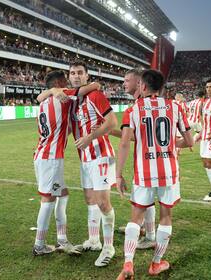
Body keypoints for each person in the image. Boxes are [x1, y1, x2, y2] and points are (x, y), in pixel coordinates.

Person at [116, 70, 193, 279]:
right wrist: (173, 143)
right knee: (166, 217)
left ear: (142, 86)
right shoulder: (175, 107)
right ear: (162, 88)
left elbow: (124, 143)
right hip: (169, 173)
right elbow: (189, 141)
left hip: (143, 172)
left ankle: (129, 263)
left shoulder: (133, 110)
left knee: (135, 218)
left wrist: (118, 174)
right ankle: (156, 264)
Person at [32, 70, 99, 256]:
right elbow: (89, 88)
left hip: (44, 155)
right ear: (60, 83)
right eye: (65, 81)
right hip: (51, 159)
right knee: (48, 200)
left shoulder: (45, 102)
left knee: (63, 194)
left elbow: (40, 98)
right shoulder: (62, 96)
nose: (68, 83)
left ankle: (62, 239)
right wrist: (95, 85)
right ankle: (39, 245)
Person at [69, 61, 118, 267]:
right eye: (73, 73)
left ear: (87, 76)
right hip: (85, 158)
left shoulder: (95, 96)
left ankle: (109, 247)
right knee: (90, 200)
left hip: (101, 156)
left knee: (103, 202)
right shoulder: (74, 101)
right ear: (69, 77)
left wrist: (90, 137)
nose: (76, 76)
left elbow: (112, 122)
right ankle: (94, 240)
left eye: (80, 73)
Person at [111, 68, 156, 250]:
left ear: (139, 83)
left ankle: (149, 234)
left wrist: (107, 130)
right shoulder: (143, 103)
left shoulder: (140, 106)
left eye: (127, 80)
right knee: (147, 197)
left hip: (149, 161)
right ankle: (144, 229)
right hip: (152, 159)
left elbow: (135, 138)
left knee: (144, 197)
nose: (124, 83)